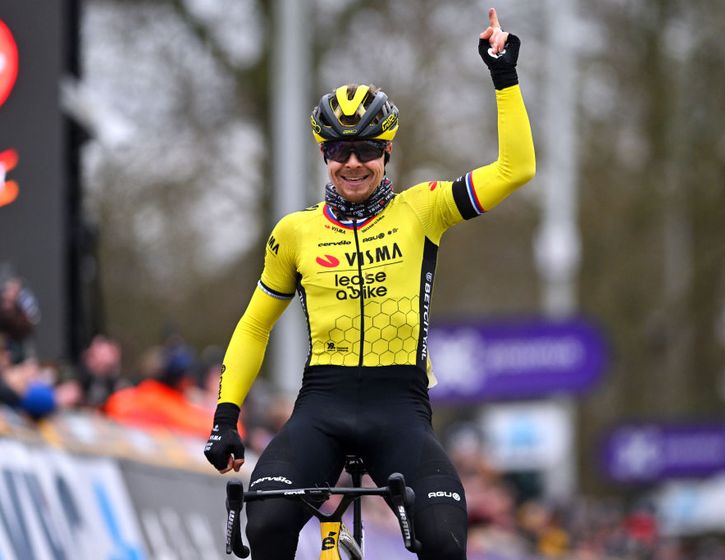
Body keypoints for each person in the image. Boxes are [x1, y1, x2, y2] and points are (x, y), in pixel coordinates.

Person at [204, 8, 535, 559]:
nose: (352, 163)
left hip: (399, 408)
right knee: (263, 526)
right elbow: (255, 325)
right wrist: (225, 416)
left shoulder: (423, 209)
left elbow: (515, 168)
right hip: (322, 407)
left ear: (388, 152)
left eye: (365, 150)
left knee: (445, 542)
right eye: (338, 151)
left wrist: (504, 77)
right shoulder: (296, 232)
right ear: (323, 155)